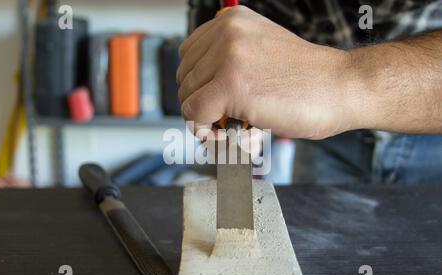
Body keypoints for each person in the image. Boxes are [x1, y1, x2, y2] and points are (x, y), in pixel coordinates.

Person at [178, 0, 442, 184]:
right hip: (322, 139)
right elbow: (221, 31)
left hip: (429, 128)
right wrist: (230, 94)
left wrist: (341, 82)